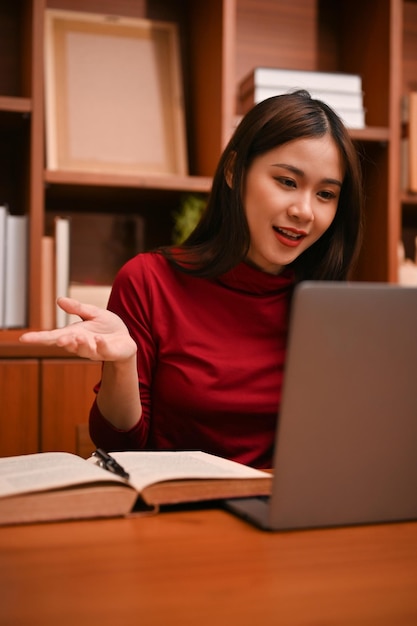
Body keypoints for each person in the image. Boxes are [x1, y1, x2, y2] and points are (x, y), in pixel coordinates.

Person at [20, 91, 364, 468]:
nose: (304, 211)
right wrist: (123, 364)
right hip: (178, 511)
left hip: (286, 511)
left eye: (326, 194)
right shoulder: (149, 281)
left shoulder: (330, 305)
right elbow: (119, 448)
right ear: (234, 171)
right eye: (286, 181)